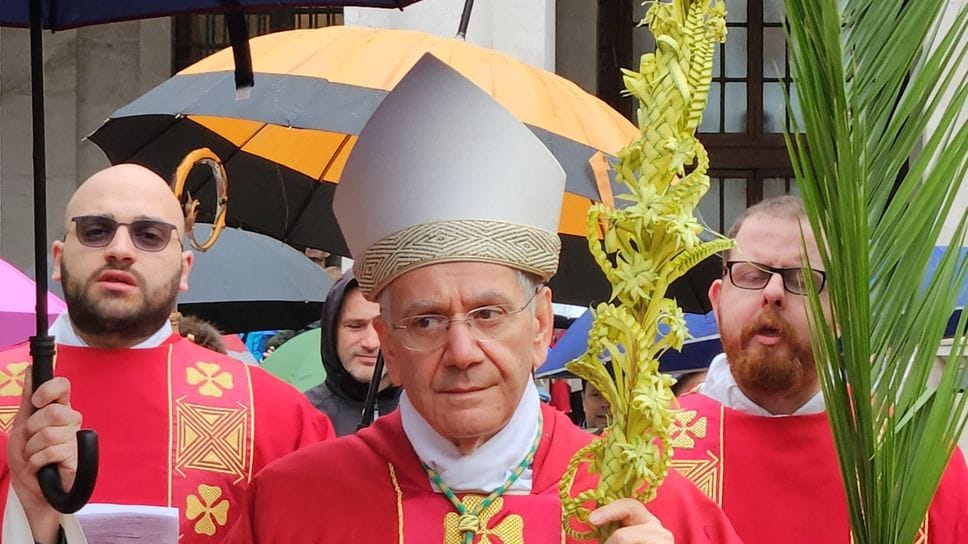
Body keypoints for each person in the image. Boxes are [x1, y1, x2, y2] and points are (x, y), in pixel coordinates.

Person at [225, 54, 741, 543]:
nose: (463, 351)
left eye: (488, 314)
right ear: (388, 346)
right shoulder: (293, 504)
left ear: (540, 325)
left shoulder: (649, 506)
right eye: (425, 321)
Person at [0, 163, 335, 543]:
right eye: (96, 231)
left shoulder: (277, 416)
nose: (120, 250)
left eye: (149, 235)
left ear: (184, 269)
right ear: (58, 259)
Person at [670, 195, 968, 543]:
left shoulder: (914, 457)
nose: (773, 292)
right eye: (751, 275)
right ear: (718, 302)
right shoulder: (650, 448)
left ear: (841, 314)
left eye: (802, 280)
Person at [304, 270, 401, 436]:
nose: (371, 343)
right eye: (355, 326)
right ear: (331, 332)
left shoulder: (430, 415)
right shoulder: (304, 417)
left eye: (383, 327)